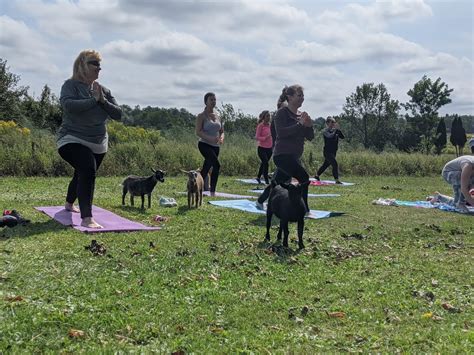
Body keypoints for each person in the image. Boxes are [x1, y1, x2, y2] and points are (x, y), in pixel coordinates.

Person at [57, 50, 122, 228]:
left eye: (100, 65)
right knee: (87, 168)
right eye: (95, 63)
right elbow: (69, 106)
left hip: (98, 142)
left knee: (82, 173)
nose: (99, 68)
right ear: (83, 65)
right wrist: (93, 101)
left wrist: (102, 100)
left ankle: (69, 204)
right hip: (71, 138)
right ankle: (87, 218)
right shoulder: (70, 85)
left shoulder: (104, 90)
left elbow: (118, 114)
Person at [256, 85, 314, 213]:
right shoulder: (281, 113)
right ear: (290, 97)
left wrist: (309, 126)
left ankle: (260, 200)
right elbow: (281, 133)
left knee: (277, 182)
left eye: (303, 96)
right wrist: (300, 124)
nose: (302, 98)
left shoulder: (301, 115)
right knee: (304, 178)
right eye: (299, 95)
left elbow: (310, 137)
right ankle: (304, 210)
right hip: (282, 156)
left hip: (294, 156)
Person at [195, 92, 224, 196]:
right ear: (206, 102)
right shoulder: (201, 116)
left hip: (216, 147)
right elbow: (198, 131)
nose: (213, 101)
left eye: (214, 99)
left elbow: (222, 131)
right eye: (211, 100)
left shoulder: (218, 115)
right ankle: (212, 191)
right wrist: (210, 138)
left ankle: (197, 187)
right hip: (204, 145)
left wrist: (221, 138)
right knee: (217, 165)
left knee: (206, 168)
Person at [314, 116, 345, 184]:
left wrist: (338, 130)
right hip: (327, 152)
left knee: (326, 165)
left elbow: (342, 137)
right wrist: (336, 131)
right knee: (335, 164)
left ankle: (317, 175)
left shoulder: (335, 131)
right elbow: (330, 137)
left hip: (333, 152)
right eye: (332, 122)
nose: (333, 123)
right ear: (327, 123)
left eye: (334, 122)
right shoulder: (325, 131)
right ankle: (336, 180)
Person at [255, 110, 273, 184]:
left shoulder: (271, 126)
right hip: (261, 148)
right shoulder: (260, 126)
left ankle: (258, 177)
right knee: (265, 162)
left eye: (269, 116)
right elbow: (257, 137)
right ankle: (266, 179)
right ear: (263, 117)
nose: (269, 118)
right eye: (267, 116)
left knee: (264, 163)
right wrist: (265, 137)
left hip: (269, 148)